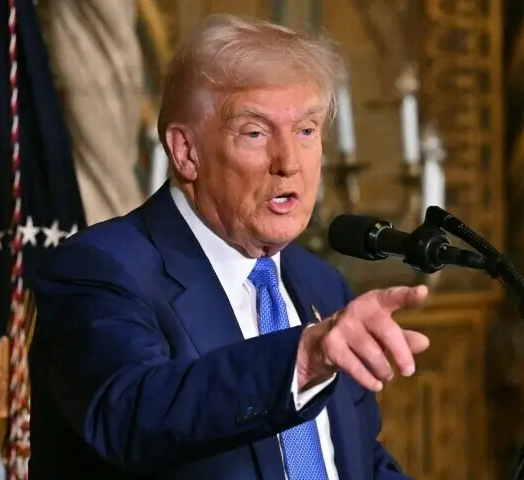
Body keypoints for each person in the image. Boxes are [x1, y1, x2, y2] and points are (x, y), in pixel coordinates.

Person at [29, 13, 430, 479]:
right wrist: (301, 358)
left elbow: (354, 459)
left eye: (306, 131)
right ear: (186, 152)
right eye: (256, 132)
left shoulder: (320, 282)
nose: (289, 163)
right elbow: (132, 414)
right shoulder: (100, 268)